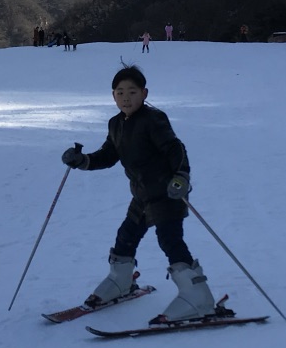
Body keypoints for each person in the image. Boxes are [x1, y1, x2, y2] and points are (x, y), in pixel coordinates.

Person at [60, 65, 224, 324]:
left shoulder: (154, 119)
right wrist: (83, 160)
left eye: (132, 92)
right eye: (120, 92)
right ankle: (120, 281)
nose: (126, 97)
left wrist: (181, 176)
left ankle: (198, 296)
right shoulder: (115, 124)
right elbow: (109, 155)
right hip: (141, 196)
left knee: (170, 241)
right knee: (126, 237)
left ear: (144, 93)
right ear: (113, 95)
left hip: (167, 193)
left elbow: (175, 148)